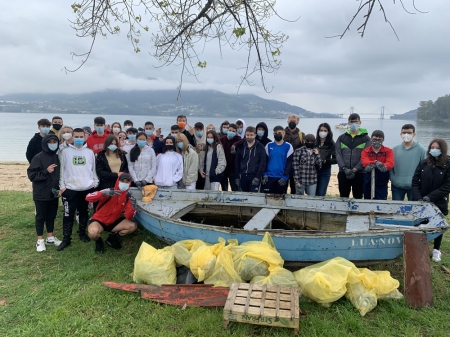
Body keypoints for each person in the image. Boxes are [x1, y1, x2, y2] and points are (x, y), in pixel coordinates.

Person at [57, 128, 99, 251]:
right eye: (77, 137)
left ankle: (82, 233)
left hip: (86, 187)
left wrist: (95, 182)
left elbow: (93, 169)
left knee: (84, 212)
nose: (79, 139)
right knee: (68, 214)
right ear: (72, 137)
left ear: (85, 137)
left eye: (81, 137)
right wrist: (62, 186)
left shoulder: (89, 152)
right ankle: (66, 239)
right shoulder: (65, 152)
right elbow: (61, 170)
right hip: (70, 188)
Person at [412, 138, 450, 262]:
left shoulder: (448, 164)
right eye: (432, 147)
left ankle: (436, 249)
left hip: (438, 199)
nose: (434, 150)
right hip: (422, 199)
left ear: (443, 149)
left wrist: (431, 197)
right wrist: (418, 198)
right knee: (421, 222)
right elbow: (415, 181)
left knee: (438, 224)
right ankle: (421, 246)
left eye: (437, 148)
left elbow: (447, 185)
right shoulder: (424, 163)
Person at [27, 134, 62, 251]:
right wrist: (46, 171)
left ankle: (50, 237)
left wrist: (60, 188)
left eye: (55, 142)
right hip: (41, 193)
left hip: (54, 192)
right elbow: (32, 175)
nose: (53, 144)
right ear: (45, 143)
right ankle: (40, 240)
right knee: (41, 216)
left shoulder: (58, 157)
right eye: (50, 142)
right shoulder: (38, 157)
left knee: (51, 215)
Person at [86, 173, 137, 254]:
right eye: (122, 181)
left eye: (127, 182)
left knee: (132, 226)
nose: (124, 183)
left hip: (114, 221)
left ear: (129, 183)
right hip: (99, 220)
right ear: (118, 181)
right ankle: (98, 242)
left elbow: (128, 216)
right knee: (93, 233)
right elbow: (88, 197)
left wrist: (133, 207)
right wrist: (102, 193)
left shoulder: (128, 197)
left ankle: (112, 239)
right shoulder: (109, 191)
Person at [335, 113, 370, 199]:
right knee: (343, 197)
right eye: (351, 122)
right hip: (343, 173)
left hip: (360, 173)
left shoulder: (366, 138)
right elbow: (338, 154)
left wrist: (355, 169)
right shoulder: (341, 138)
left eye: (356, 121)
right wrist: (344, 168)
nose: (354, 123)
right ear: (348, 123)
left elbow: (365, 156)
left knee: (358, 197)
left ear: (360, 122)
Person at [390, 124, 426, 201]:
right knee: (396, 209)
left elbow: (425, 168)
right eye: (404, 133)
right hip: (397, 186)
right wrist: (393, 178)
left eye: (409, 133)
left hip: (414, 187)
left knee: (413, 210)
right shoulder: (394, 150)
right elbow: (390, 166)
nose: (406, 135)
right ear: (401, 134)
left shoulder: (421, 150)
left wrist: (419, 182)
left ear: (414, 134)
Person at [361, 130, 394, 200]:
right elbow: (364, 161)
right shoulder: (365, 151)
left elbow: (390, 163)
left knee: (381, 202)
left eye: (379, 140)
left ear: (383, 140)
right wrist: (375, 162)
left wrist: (384, 166)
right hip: (368, 180)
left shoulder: (388, 151)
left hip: (382, 182)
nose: (377, 141)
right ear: (371, 139)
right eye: (375, 139)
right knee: (367, 201)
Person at [261, 126, 294, 194]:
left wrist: (285, 177)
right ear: (273, 134)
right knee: (268, 199)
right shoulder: (268, 146)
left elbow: (289, 163)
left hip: (281, 178)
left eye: (279, 133)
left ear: (283, 133)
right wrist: (264, 174)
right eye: (275, 133)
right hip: (269, 177)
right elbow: (265, 161)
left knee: (280, 200)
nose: (277, 134)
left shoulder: (289, 146)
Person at [235, 126, 266, 192]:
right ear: (245, 135)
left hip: (254, 176)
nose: (249, 137)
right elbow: (237, 162)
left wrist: (258, 177)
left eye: (251, 135)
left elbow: (262, 163)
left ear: (255, 135)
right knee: (243, 198)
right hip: (242, 176)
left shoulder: (260, 147)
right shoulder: (241, 147)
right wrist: (237, 177)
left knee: (254, 198)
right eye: (247, 135)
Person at [283, 114, 306, 193]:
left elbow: (305, 149)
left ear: (297, 123)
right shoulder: (283, 133)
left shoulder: (301, 135)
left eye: (294, 121)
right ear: (287, 122)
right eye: (290, 121)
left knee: (294, 188)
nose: (292, 123)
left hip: (296, 166)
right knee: (283, 187)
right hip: (284, 165)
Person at [315, 123, 336, 197]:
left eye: (325, 130)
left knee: (321, 193)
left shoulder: (332, 144)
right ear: (318, 131)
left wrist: (326, 161)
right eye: (321, 130)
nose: (323, 132)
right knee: (312, 193)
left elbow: (335, 159)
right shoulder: (314, 142)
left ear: (328, 132)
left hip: (325, 171)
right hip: (313, 171)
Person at [219, 123, 241, 191]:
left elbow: (244, 140)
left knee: (234, 188)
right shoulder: (222, 139)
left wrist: (235, 144)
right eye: (230, 130)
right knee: (224, 188)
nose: (231, 132)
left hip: (233, 169)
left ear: (236, 133)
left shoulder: (238, 139)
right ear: (227, 130)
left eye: (233, 131)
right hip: (223, 168)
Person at [194, 122, 206, 190]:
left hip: (204, 163)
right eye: (197, 129)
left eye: (200, 129)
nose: (199, 131)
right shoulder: (192, 137)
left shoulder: (207, 137)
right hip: (195, 164)